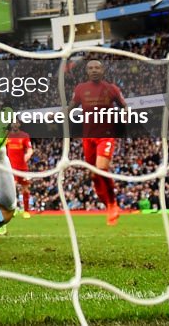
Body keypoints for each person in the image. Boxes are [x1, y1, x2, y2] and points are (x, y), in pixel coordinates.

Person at [70, 60, 126, 225]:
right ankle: (108, 204)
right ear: (87, 71)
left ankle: (113, 204)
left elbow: (124, 105)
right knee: (94, 175)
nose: (94, 70)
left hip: (106, 136)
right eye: (91, 68)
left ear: (103, 70)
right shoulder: (80, 89)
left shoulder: (112, 88)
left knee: (102, 169)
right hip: (88, 138)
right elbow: (72, 106)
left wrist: (125, 116)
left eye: (97, 67)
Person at [4, 120, 34, 218]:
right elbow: (2, 149)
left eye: (16, 123)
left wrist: (28, 155)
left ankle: (26, 211)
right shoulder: (7, 136)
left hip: (23, 168)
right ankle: (12, 209)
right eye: (13, 123)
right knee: (12, 187)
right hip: (11, 168)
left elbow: (30, 149)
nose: (15, 124)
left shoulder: (24, 135)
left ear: (19, 124)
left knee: (25, 189)